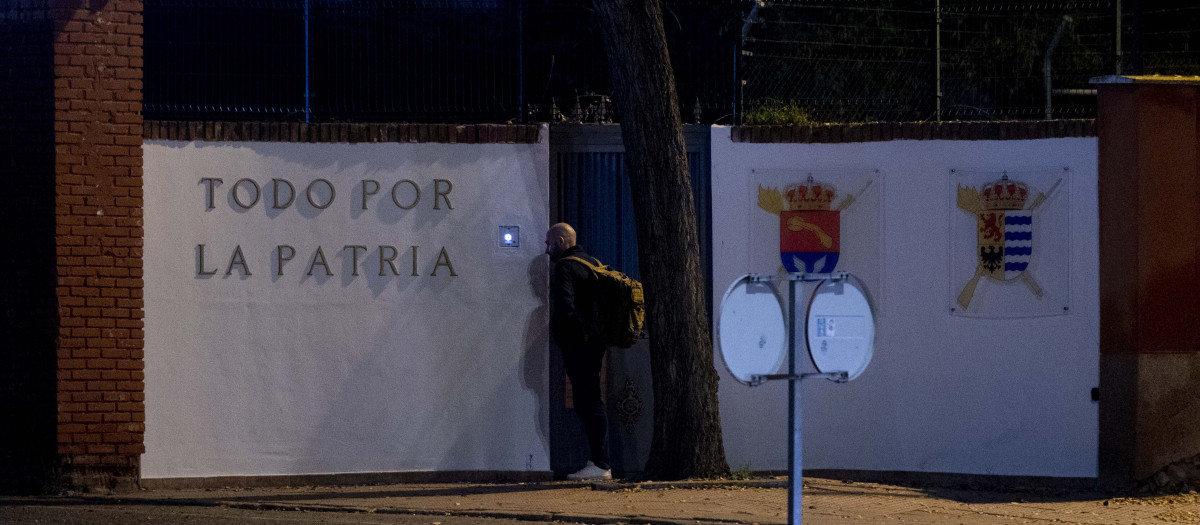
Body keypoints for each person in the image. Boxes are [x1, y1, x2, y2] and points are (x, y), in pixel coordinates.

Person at [544, 222, 612, 481]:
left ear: (562, 241)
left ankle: (600, 463)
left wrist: (565, 338)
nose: (547, 249)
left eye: (550, 243)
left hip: (579, 346)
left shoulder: (565, 267)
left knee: (589, 402)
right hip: (595, 343)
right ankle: (599, 462)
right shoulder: (592, 263)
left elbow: (566, 307)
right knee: (590, 400)